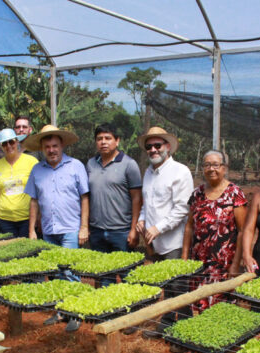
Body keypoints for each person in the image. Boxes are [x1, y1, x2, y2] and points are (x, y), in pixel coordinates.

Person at [23, 125, 89, 332]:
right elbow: (33, 201)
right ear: (42, 149)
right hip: (48, 230)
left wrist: (84, 227)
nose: (51, 150)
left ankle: (76, 313)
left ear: (62, 146)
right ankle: (61, 311)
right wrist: (32, 230)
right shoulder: (37, 170)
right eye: (47, 147)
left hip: (70, 227)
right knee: (56, 273)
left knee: (70, 272)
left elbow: (84, 197)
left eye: (55, 146)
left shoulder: (76, 166)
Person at [182, 150, 247, 309]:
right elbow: (189, 227)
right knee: (200, 303)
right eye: (207, 165)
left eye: (216, 165)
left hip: (224, 264)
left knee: (223, 308)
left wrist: (235, 264)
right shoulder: (197, 194)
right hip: (199, 263)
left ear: (224, 168)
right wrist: (184, 259)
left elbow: (242, 231)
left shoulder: (234, 193)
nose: (211, 169)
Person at [136, 126, 193, 261]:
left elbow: (182, 208)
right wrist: (141, 219)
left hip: (174, 245)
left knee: (173, 281)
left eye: (157, 145)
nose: (153, 150)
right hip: (154, 244)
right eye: (149, 147)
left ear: (167, 146)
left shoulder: (180, 171)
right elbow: (147, 204)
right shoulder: (148, 173)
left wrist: (158, 228)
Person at [86, 123, 142, 252]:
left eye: (108, 138)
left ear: (117, 141)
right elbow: (87, 197)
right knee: (99, 270)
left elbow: (137, 199)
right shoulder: (91, 164)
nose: (103, 142)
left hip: (121, 231)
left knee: (125, 271)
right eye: (99, 139)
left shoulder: (129, 164)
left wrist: (134, 230)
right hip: (96, 231)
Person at [0, 128, 38, 238]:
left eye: (11, 142)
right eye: (4, 143)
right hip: (5, 220)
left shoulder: (31, 162)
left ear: (17, 141)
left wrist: (39, 217)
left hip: (27, 219)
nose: (9, 146)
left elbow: (39, 190)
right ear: (1, 146)